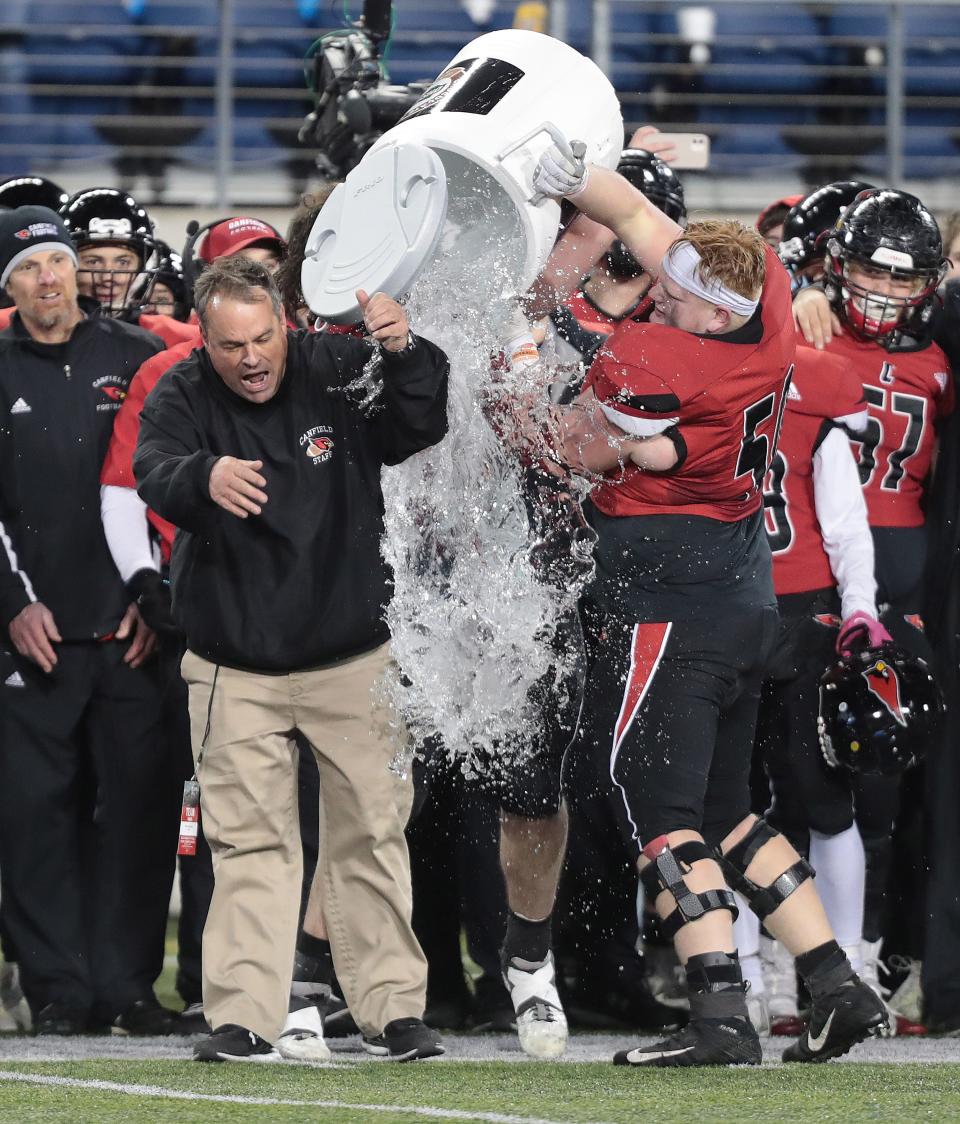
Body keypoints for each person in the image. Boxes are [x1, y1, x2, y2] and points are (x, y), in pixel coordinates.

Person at [526, 139, 887, 1066]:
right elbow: (647, 225)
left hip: (667, 598)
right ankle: (836, 984)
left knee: (660, 808)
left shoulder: (660, 356)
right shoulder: (760, 302)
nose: (661, 288)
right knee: (729, 803)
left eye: (680, 294)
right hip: (741, 588)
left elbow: (574, 449)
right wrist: (568, 167)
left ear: (711, 310)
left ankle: (720, 1013)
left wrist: (513, 371)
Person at [134, 256, 450, 1063]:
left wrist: (407, 351)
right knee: (247, 843)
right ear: (203, 340)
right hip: (232, 660)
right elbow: (154, 474)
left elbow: (420, 424)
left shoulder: (339, 365)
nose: (250, 358)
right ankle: (241, 1018)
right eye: (231, 343)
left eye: (262, 337)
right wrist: (204, 474)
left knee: (374, 834)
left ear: (288, 323)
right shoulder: (179, 391)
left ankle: (393, 1012)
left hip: (351, 652)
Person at [0, 205, 181, 1035]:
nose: (49, 279)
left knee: (139, 815)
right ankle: (60, 993)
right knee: (34, 823)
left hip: (130, 633)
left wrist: (154, 595)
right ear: (8, 284)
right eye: (29, 267)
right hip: (31, 637)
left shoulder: (139, 356)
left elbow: (169, 491)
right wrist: (11, 608)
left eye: (58, 263)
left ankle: (129, 989)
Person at [790, 188, 952, 1025]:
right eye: (866, 274)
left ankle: (878, 959)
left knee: (888, 789)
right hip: (819, 578)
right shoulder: (804, 329)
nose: (884, 294)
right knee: (796, 782)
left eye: (904, 280)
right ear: (833, 264)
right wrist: (792, 284)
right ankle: (793, 967)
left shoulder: (941, 356)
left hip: (909, 592)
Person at [747, 347, 876, 1035]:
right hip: (719, 609)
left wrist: (861, 606)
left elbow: (845, 520)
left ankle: (843, 969)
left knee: (823, 795)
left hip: (801, 612)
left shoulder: (815, 388)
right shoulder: (682, 369)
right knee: (724, 805)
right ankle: (750, 975)